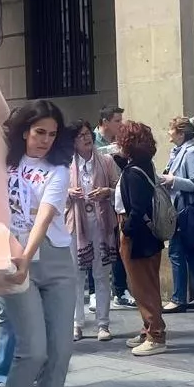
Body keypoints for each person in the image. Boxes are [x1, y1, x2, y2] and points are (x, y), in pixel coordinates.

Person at [0, 100, 83, 387]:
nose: (45, 140)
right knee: (32, 352)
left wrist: (28, 256)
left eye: (51, 133)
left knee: (60, 353)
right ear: (24, 131)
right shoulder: (1, 162)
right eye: (39, 132)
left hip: (55, 261)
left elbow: (47, 215)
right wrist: (20, 259)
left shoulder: (60, 168)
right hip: (13, 260)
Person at [116, 121, 169, 356]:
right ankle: (148, 328)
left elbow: (137, 208)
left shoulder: (133, 173)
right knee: (148, 285)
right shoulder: (145, 165)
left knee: (143, 288)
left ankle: (155, 335)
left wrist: (126, 231)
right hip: (150, 236)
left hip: (138, 238)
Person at [66, 119, 119, 341]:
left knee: (101, 274)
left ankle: (103, 324)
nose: (86, 138)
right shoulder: (66, 165)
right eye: (80, 136)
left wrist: (107, 191)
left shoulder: (106, 161)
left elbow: (119, 187)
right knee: (76, 276)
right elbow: (54, 193)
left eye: (88, 134)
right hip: (75, 225)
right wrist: (69, 192)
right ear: (73, 142)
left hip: (101, 222)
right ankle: (76, 324)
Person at [160, 116, 194, 312]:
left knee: (176, 251)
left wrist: (173, 180)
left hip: (184, 210)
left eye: (171, 129)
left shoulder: (191, 153)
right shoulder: (178, 153)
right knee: (189, 252)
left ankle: (179, 298)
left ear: (181, 133)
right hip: (178, 208)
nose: (168, 133)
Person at [94, 105, 136, 310]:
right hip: (95, 203)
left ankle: (120, 290)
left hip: (116, 199)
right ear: (105, 122)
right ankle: (95, 292)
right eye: (117, 121)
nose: (121, 124)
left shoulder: (120, 142)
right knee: (96, 246)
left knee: (119, 246)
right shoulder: (91, 141)